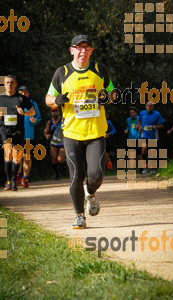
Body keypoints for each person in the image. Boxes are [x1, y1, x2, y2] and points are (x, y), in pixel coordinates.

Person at [45, 34, 114, 229]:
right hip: (72, 134)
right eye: (79, 47)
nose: (83, 51)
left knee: (96, 175)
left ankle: (90, 193)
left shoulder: (100, 70)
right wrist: (56, 101)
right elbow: (48, 98)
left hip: (96, 133)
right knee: (76, 175)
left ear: (91, 50)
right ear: (72, 50)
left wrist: (107, 98)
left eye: (87, 48)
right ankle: (79, 216)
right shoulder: (62, 72)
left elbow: (113, 92)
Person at [0, 75, 35, 191]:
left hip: (18, 130)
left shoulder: (21, 98)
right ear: (4, 84)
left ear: (15, 84)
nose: (9, 85)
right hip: (5, 129)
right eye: (7, 83)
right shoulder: (1, 98)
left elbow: (32, 111)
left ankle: (14, 181)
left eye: (12, 83)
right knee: (8, 152)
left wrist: (24, 112)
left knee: (17, 157)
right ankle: (8, 181)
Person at [16, 86, 41, 187]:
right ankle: (18, 176)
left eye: (25, 93)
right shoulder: (14, 103)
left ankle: (25, 178)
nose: (23, 95)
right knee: (17, 157)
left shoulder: (32, 103)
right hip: (16, 134)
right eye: (21, 93)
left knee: (27, 157)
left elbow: (38, 117)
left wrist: (35, 121)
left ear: (28, 94)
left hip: (28, 135)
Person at [139, 101, 164, 173]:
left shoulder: (157, 114)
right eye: (147, 105)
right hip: (144, 135)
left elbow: (162, 125)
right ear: (145, 106)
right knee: (143, 150)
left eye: (150, 106)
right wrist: (140, 126)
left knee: (152, 152)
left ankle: (152, 168)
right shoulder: (142, 113)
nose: (149, 107)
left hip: (153, 135)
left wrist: (156, 126)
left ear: (153, 107)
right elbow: (139, 121)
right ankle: (145, 167)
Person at [44, 107, 66, 180]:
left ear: (59, 112)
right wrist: (46, 135)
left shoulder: (63, 120)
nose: (55, 113)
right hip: (53, 142)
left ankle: (64, 165)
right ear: (51, 113)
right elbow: (45, 131)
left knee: (60, 159)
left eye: (56, 111)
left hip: (62, 141)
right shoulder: (49, 122)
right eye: (53, 111)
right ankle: (57, 175)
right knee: (54, 159)